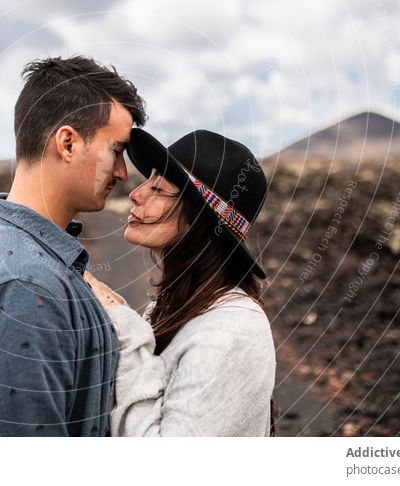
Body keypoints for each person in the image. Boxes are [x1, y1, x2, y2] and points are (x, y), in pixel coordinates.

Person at [0, 56, 147, 436]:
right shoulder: (25, 286)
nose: (122, 172)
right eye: (116, 151)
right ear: (67, 142)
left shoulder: (24, 256)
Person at [84, 128, 277, 436]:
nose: (136, 193)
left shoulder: (232, 329)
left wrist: (124, 327)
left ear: (199, 218)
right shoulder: (181, 304)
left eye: (158, 189)